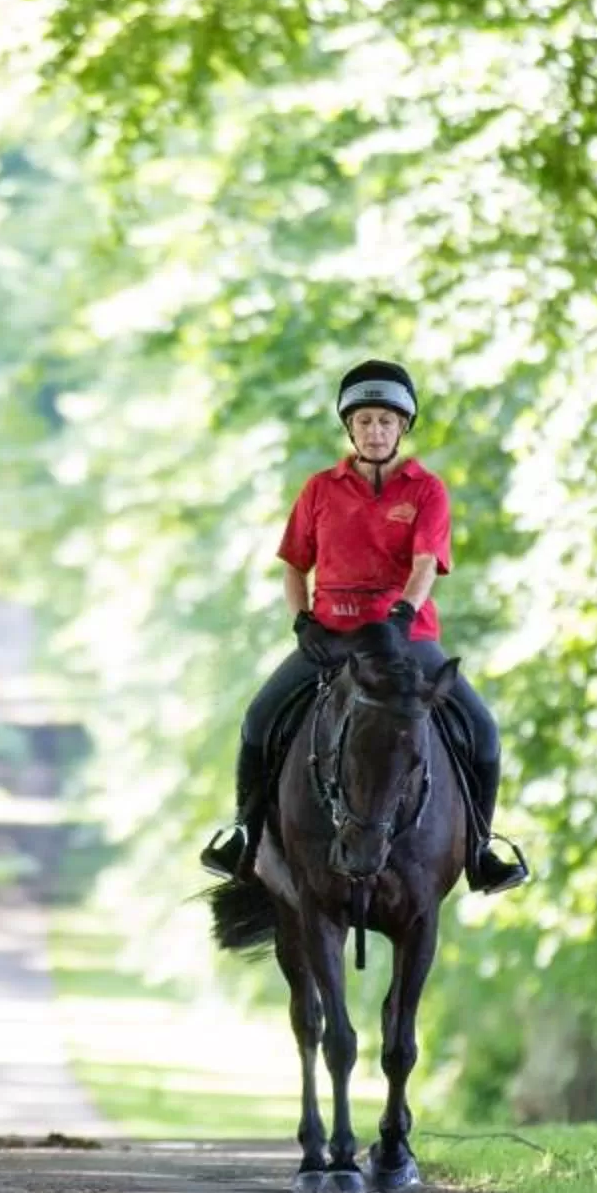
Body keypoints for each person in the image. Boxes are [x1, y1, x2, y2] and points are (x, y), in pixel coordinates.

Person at [199, 359, 528, 894]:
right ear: (350, 428)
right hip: (331, 639)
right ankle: (244, 835)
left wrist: (401, 615)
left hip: (406, 640)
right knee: (259, 718)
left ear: (403, 427)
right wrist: (302, 622)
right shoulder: (319, 489)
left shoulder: (426, 490)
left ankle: (481, 850)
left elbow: (425, 564)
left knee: (483, 730)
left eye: (386, 421)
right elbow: (294, 565)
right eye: (365, 421)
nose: (376, 431)